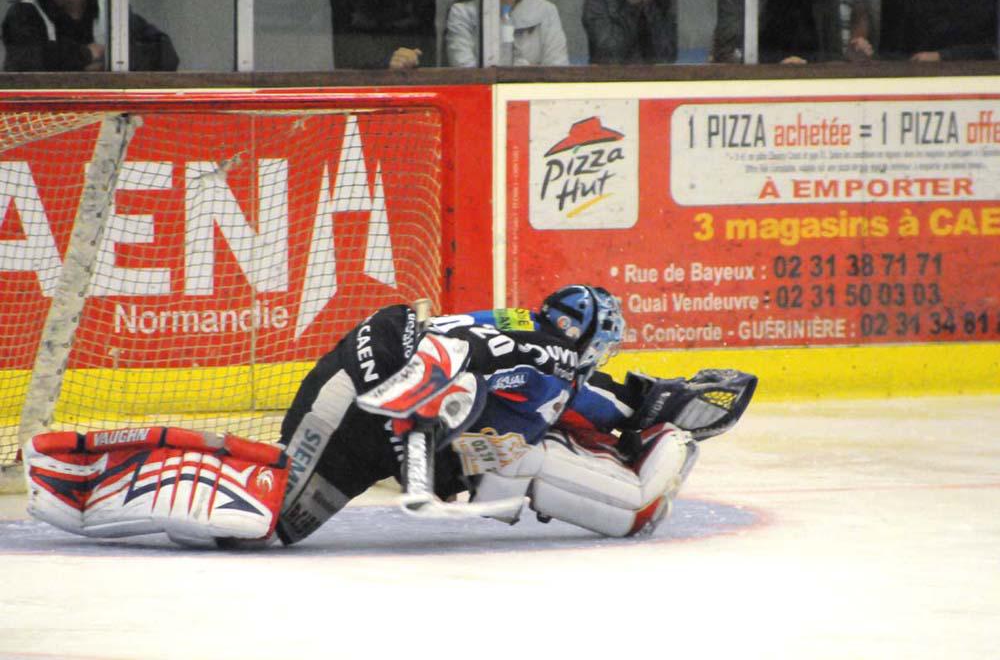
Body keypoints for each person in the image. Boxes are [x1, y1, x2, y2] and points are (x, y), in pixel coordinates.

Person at [24, 285, 756, 546]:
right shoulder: (544, 356)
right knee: (265, 516)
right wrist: (445, 444)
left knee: (276, 526)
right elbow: (451, 370)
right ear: (588, 338)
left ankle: (116, 475)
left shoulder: (534, 343)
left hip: (375, 407)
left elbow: (574, 401)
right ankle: (107, 471)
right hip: (368, 398)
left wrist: (645, 410)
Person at [2, 0, 178, 72]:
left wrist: (109, 60)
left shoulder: (110, 7)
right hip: (45, 121)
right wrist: (87, 54)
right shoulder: (23, 12)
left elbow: (166, 55)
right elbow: (27, 63)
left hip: (103, 116)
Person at [846, 0, 997, 62]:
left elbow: (992, 48)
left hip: (968, 76)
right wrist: (864, 49)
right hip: (907, 76)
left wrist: (943, 56)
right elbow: (891, 50)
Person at [711, 0, 842, 64]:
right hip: (759, 75)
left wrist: (809, 63)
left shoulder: (824, 0)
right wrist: (773, 63)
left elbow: (834, 53)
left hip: (813, 75)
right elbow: (726, 53)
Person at [446, 0, 569, 67]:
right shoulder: (462, 12)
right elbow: (464, 67)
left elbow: (558, 66)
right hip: (483, 96)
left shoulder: (546, 10)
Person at [328, 0, 436, 70]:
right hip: (361, 78)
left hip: (412, 75)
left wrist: (410, 57)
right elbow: (344, 45)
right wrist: (385, 61)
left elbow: (426, 44)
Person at [583, 0, 677, 65]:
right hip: (612, 79)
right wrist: (631, 9)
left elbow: (668, 54)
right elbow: (609, 53)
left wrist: (649, 8)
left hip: (657, 78)